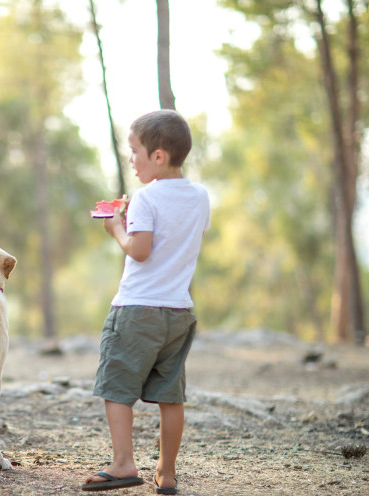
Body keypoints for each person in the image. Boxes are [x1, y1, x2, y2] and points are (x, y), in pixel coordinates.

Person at [81, 110, 210, 494]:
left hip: (137, 310)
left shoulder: (144, 198)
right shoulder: (201, 196)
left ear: (158, 156)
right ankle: (166, 472)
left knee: (116, 387)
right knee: (171, 394)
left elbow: (140, 250)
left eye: (135, 151)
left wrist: (115, 227)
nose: (131, 160)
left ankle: (123, 464)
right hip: (179, 311)